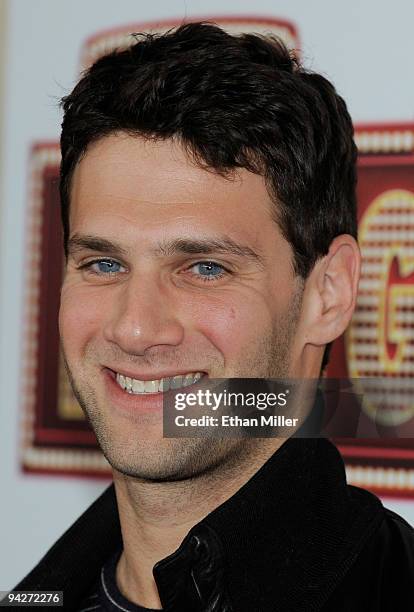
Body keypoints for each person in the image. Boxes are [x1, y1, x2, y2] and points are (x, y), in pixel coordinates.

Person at [14, 22, 414, 611]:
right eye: (103, 263)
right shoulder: (40, 594)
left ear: (328, 293)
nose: (135, 329)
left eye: (204, 269)